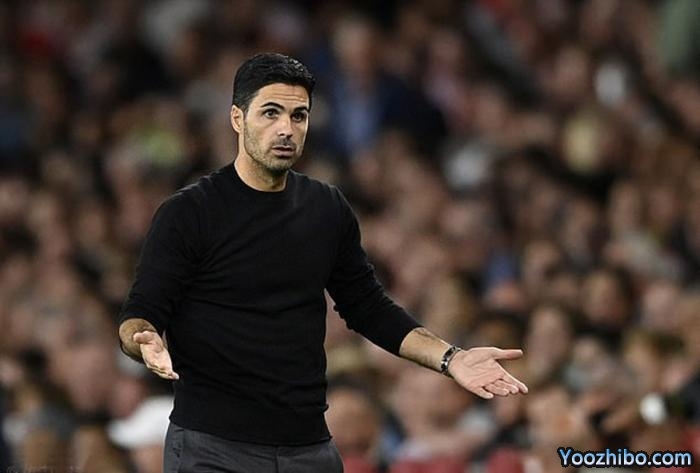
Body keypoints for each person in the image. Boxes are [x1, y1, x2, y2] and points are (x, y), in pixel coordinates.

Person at [117, 52, 528, 473]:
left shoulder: (326, 207)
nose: (286, 129)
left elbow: (369, 308)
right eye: (271, 113)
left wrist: (452, 358)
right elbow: (140, 314)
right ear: (237, 118)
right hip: (213, 448)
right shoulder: (189, 212)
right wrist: (143, 339)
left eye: (299, 116)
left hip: (308, 448)